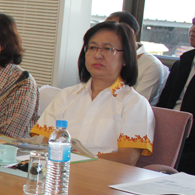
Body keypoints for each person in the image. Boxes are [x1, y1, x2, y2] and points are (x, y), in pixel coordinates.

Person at [31, 21, 155, 165]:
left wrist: (75, 163)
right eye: (93, 47)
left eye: (108, 49)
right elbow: (43, 142)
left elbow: (127, 159)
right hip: (57, 172)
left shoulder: (135, 103)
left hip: (102, 175)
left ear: (126, 58)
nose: (98, 55)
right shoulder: (67, 95)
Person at [156, 13, 195, 174]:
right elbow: (164, 103)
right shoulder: (184, 62)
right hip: (169, 133)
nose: (193, 29)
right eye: (193, 24)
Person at [105, 10, 168, 105]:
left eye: (110, 29)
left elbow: (138, 104)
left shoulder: (151, 65)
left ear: (129, 32)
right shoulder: (105, 56)